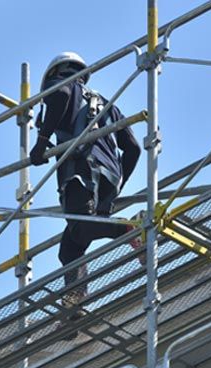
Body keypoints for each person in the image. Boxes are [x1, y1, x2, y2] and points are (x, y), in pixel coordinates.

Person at [30, 52, 141, 322]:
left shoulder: (59, 87)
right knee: (70, 247)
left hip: (80, 173)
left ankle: (128, 228)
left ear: (55, 74)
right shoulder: (107, 104)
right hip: (108, 177)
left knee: (80, 228)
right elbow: (133, 148)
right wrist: (116, 187)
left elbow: (60, 96)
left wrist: (42, 141)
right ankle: (75, 304)